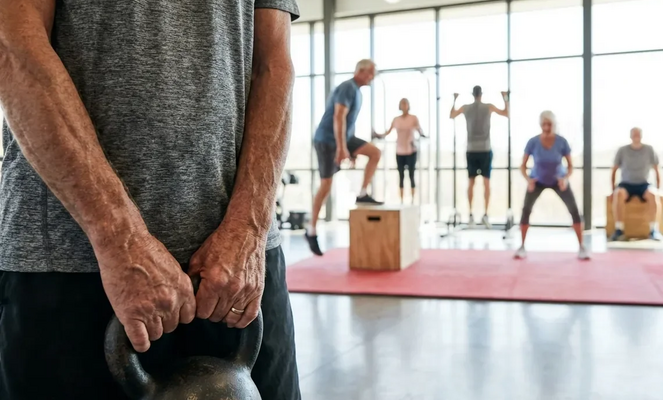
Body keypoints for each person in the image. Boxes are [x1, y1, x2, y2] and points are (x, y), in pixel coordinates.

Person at [0, 1, 301, 399]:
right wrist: (119, 239)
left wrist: (249, 228)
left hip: (238, 267)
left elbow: (273, 63)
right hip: (74, 264)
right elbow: (14, 43)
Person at [306, 59, 382, 257]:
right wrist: (341, 148)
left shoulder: (357, 91)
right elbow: (338, 117)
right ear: (360, 71)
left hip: (344, 138)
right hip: (327, 140)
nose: (372, 77)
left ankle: (362, 193)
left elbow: (349, 122)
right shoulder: (348, 87)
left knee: (375, 153)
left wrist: (352, 150)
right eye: (370, 73)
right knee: (326, 186)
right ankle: (311, 229)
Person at [514, 111, 589, 261]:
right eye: (544, 124)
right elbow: (522, 166)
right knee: (526, 210)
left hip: (558, 181)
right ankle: (521, 246)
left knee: (574, 211)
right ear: (540, 125)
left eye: (549, 124)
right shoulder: (533, 142)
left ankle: (581, 247)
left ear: (553, 124)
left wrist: (565, 179)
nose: (547, 127)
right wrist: (528, 180)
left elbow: (570, 166)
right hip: (537, 180)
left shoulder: (561, 142)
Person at [450, 86, 509, 228]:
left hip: (478, 150)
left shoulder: (468, 108)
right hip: (479, 150)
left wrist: (454, 100)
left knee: (477, 183)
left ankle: (478, 216)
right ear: (481, 94)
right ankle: (477, 216)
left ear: (473, 94)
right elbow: (506, 113)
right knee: (480, 183)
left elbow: (452, 115)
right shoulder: (487, 107)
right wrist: (505, 97)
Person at [609, 127, 663, 241]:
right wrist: (612, 190)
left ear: (641, 135)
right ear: (630, 136)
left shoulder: (649, 149)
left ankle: (653, 230)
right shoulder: (622, 150)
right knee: (618, 194)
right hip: (626, 184)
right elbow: (614, 170)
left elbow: (656, 170)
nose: (636, 136)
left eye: (638, 134)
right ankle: (619, 230)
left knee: (653, 195)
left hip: (644, 184)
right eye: (634, 134)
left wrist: (658, 188)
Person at [374, 98, 427, 204]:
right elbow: (388, 132)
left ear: (408, 105)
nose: (404, 106)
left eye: (405, 104)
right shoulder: (396, 119)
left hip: (411, 150)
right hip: (400, 151)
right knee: (401, 176)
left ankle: (413, 200)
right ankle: (402, 200)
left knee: (411, 175)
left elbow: (419, 130)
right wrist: (378, 135)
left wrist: (423, 135)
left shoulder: (413, 118)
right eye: (402, 104)